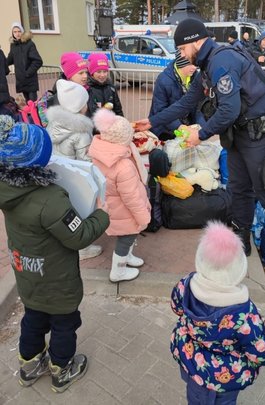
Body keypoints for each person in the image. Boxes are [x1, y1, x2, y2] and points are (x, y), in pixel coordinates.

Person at [135, 18, 265, 290]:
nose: (181, 55)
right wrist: (152, 122)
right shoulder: (207, 65)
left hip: (263, 136)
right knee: (239, 189)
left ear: (195, 42)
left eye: (182, 48)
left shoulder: (222, 61)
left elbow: (228, 110)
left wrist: (200, 134)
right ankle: (241, 239)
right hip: (240, 136)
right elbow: (188, 101)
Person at [0, 115, 109, 393]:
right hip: (57, 280)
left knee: (33, 320)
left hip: (26, 274)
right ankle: (62, 369)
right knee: (64, 324)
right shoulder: (50, 199)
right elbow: (79, 236)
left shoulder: (7, 190)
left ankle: (29, 366)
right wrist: (101, 216)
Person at [170, 221, 265, 405]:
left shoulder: (185, 286)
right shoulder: (245, 314)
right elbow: (259, 352)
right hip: (224, 377)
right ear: (238, 270)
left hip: (192, 362)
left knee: (195, 397)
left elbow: (176, 308)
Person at [89, 109, 151, 282]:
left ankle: (127, 257)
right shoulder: (123, 166)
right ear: (123, 139)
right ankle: (118, 270)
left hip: (112, 206)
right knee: (127, 237)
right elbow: (131, 197)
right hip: (125, 211)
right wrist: (143, 217)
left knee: (127, 235)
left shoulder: (101, 153)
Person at [47, 79, 103, 261]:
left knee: (65, 211)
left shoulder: (54, 124)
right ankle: (82, 247)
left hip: (58, 174)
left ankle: (63, 240)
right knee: (81, 211)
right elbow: (87, 160)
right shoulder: (81, 132)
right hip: (76, 177)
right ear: (80, 106)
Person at [149, 49, 199, 140]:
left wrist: (200, 127)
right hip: (164, 131)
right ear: (181, 63)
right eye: (190, 64)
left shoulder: (196, 77)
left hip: (186, 130)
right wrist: (180, 127)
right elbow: (160, 110)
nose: (194, 67)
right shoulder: (163, 80)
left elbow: (199, 107)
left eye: (195, 64)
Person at [7, 22, 43, 102]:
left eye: (19, 31)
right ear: (12, 33)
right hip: (21, 81)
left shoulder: (29, 44)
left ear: (22, 32)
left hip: (30, 80)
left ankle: (35, 115)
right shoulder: (13, 45)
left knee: (33, 104)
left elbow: (38, 61)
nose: (17, 34)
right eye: (15, 32)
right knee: (27, 103)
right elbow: (10, 59)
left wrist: (28, 73)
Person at [87, 53, 123, 117]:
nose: (102, 75)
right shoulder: (88, 89)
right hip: (94, 125)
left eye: (105, 71)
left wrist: (121, 122)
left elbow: (118, 109)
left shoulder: (111, 88)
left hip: (111, 124)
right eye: (99, 72)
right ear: (92, 73)